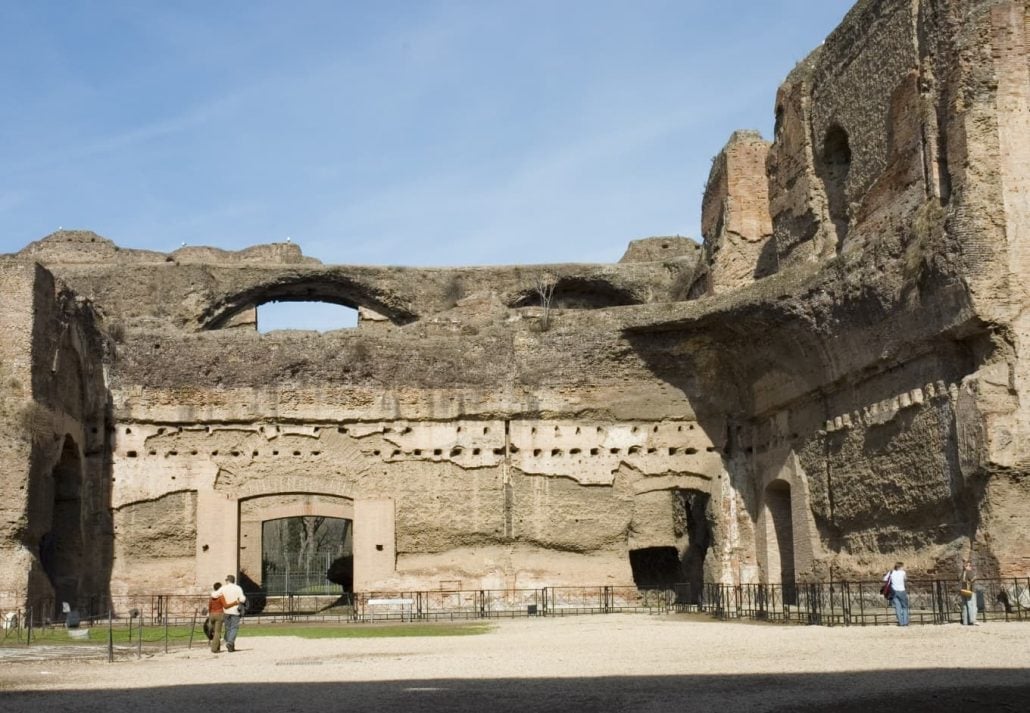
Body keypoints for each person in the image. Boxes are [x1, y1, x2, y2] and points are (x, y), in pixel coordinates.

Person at [221, 574, 247, 652]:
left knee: (228, 628)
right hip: (235, 610)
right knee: (234, 628)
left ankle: (231, 645)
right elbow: (242, 599)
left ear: (228, 580)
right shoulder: (238, 588)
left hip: (226, 611)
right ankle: (230, 643)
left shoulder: (223, 588)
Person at [883, 562, 909, 626]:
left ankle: (900, 622)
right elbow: (905, 579)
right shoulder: (903, 572)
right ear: (900, 567)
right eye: (902, 567)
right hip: (902, 591)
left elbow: (885, 579)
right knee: (904, 607)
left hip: (894, 592)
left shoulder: (891, 572)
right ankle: (905, 622)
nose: (903, 568)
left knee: (898, 607)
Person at [206, 582, 227, 653]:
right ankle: (214, 648)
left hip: (212, 614)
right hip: (219, 614)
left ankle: (218, 648)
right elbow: (225, 606)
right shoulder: (221, 596)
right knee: (217, 632)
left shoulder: (211, 596)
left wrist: (209, 614)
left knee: (214, 632)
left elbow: (209, 606)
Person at [960, 559, 978, 626]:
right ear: (966, 566)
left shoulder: (962, 573)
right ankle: (972, 620)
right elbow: (973, 578)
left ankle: (965, 621)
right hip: (970, 591)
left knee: (965, 606)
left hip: (963, 591)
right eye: (969, 566)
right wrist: (975, 577)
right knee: (971, 605)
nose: (970, 567)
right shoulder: (969, 572)